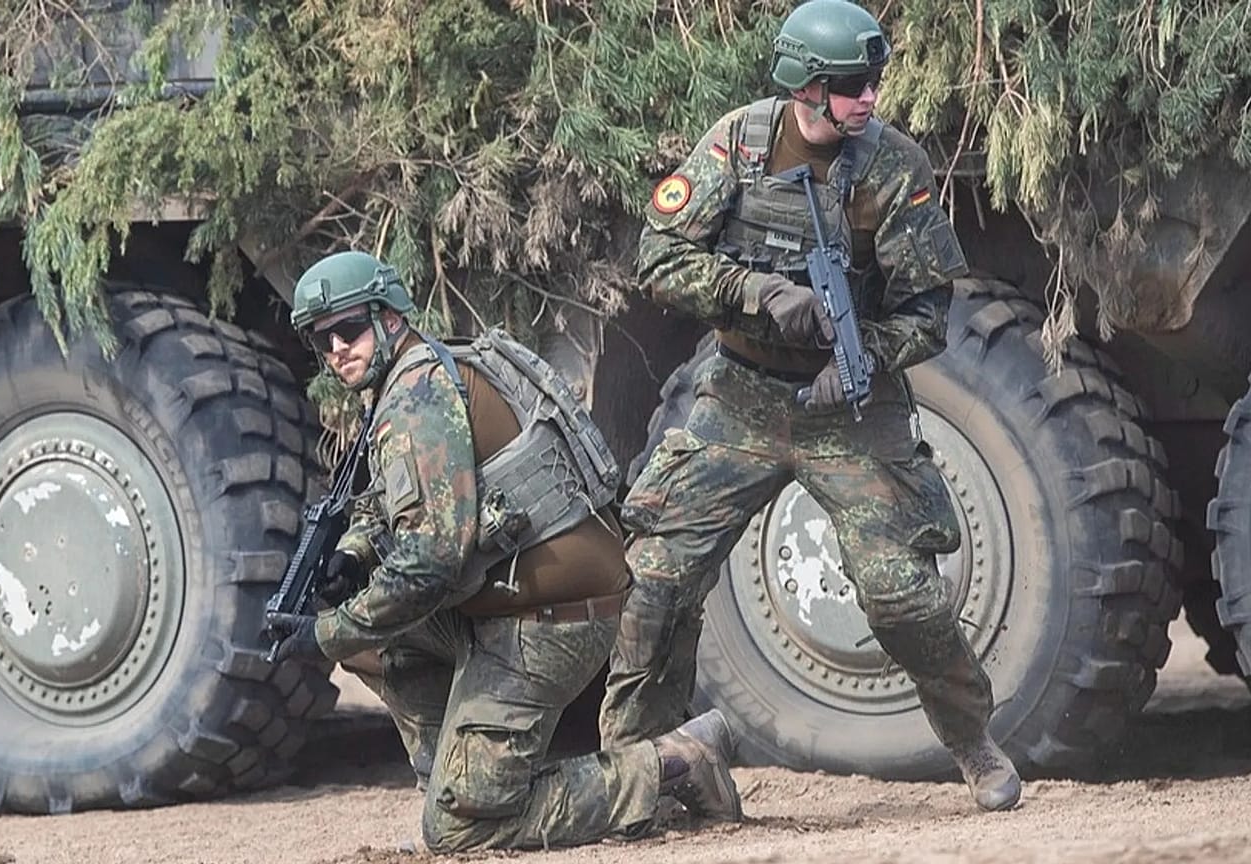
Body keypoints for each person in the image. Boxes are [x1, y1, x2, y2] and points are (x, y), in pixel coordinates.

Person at [598, 0, 1021, 813]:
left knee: (901, 594)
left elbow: (927, 312)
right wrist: (754, 292)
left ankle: (973, 740)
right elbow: (658, 257)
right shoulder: (739, 145)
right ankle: (635, 768)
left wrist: (861, 359)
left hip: (852, 411)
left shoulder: (893, 166)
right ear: (806, 86)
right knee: (655, 576)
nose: (870, 98)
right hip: (741, 398)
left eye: (875, 83)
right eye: (853, 85)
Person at [265, 250, 743, 852]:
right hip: (510, 600)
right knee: (375, 638)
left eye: (349, 328)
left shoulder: (417, 397)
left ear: (388, 317)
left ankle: (671, 764)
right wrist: (355, 555)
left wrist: (326, 634)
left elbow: (430, 563)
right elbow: (391, 503)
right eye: (321, 339)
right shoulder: (414, 377)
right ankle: (456, 780)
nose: (336, 349)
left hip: (547, 619)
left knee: (459, 830)